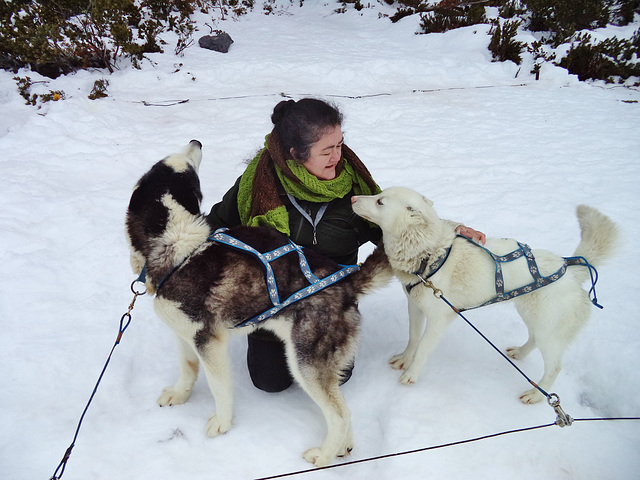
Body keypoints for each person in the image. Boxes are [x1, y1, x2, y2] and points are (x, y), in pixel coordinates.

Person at [206, 98, 485, 393]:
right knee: (270, 383)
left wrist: (451, 230)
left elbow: (397, 226)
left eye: (340, 144)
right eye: (326, 150)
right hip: (275, 305)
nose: (337, 157)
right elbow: (212, 229)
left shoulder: (355, 189)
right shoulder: (256, 186)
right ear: (296, 154)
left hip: (331, 304)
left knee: (336, 376)